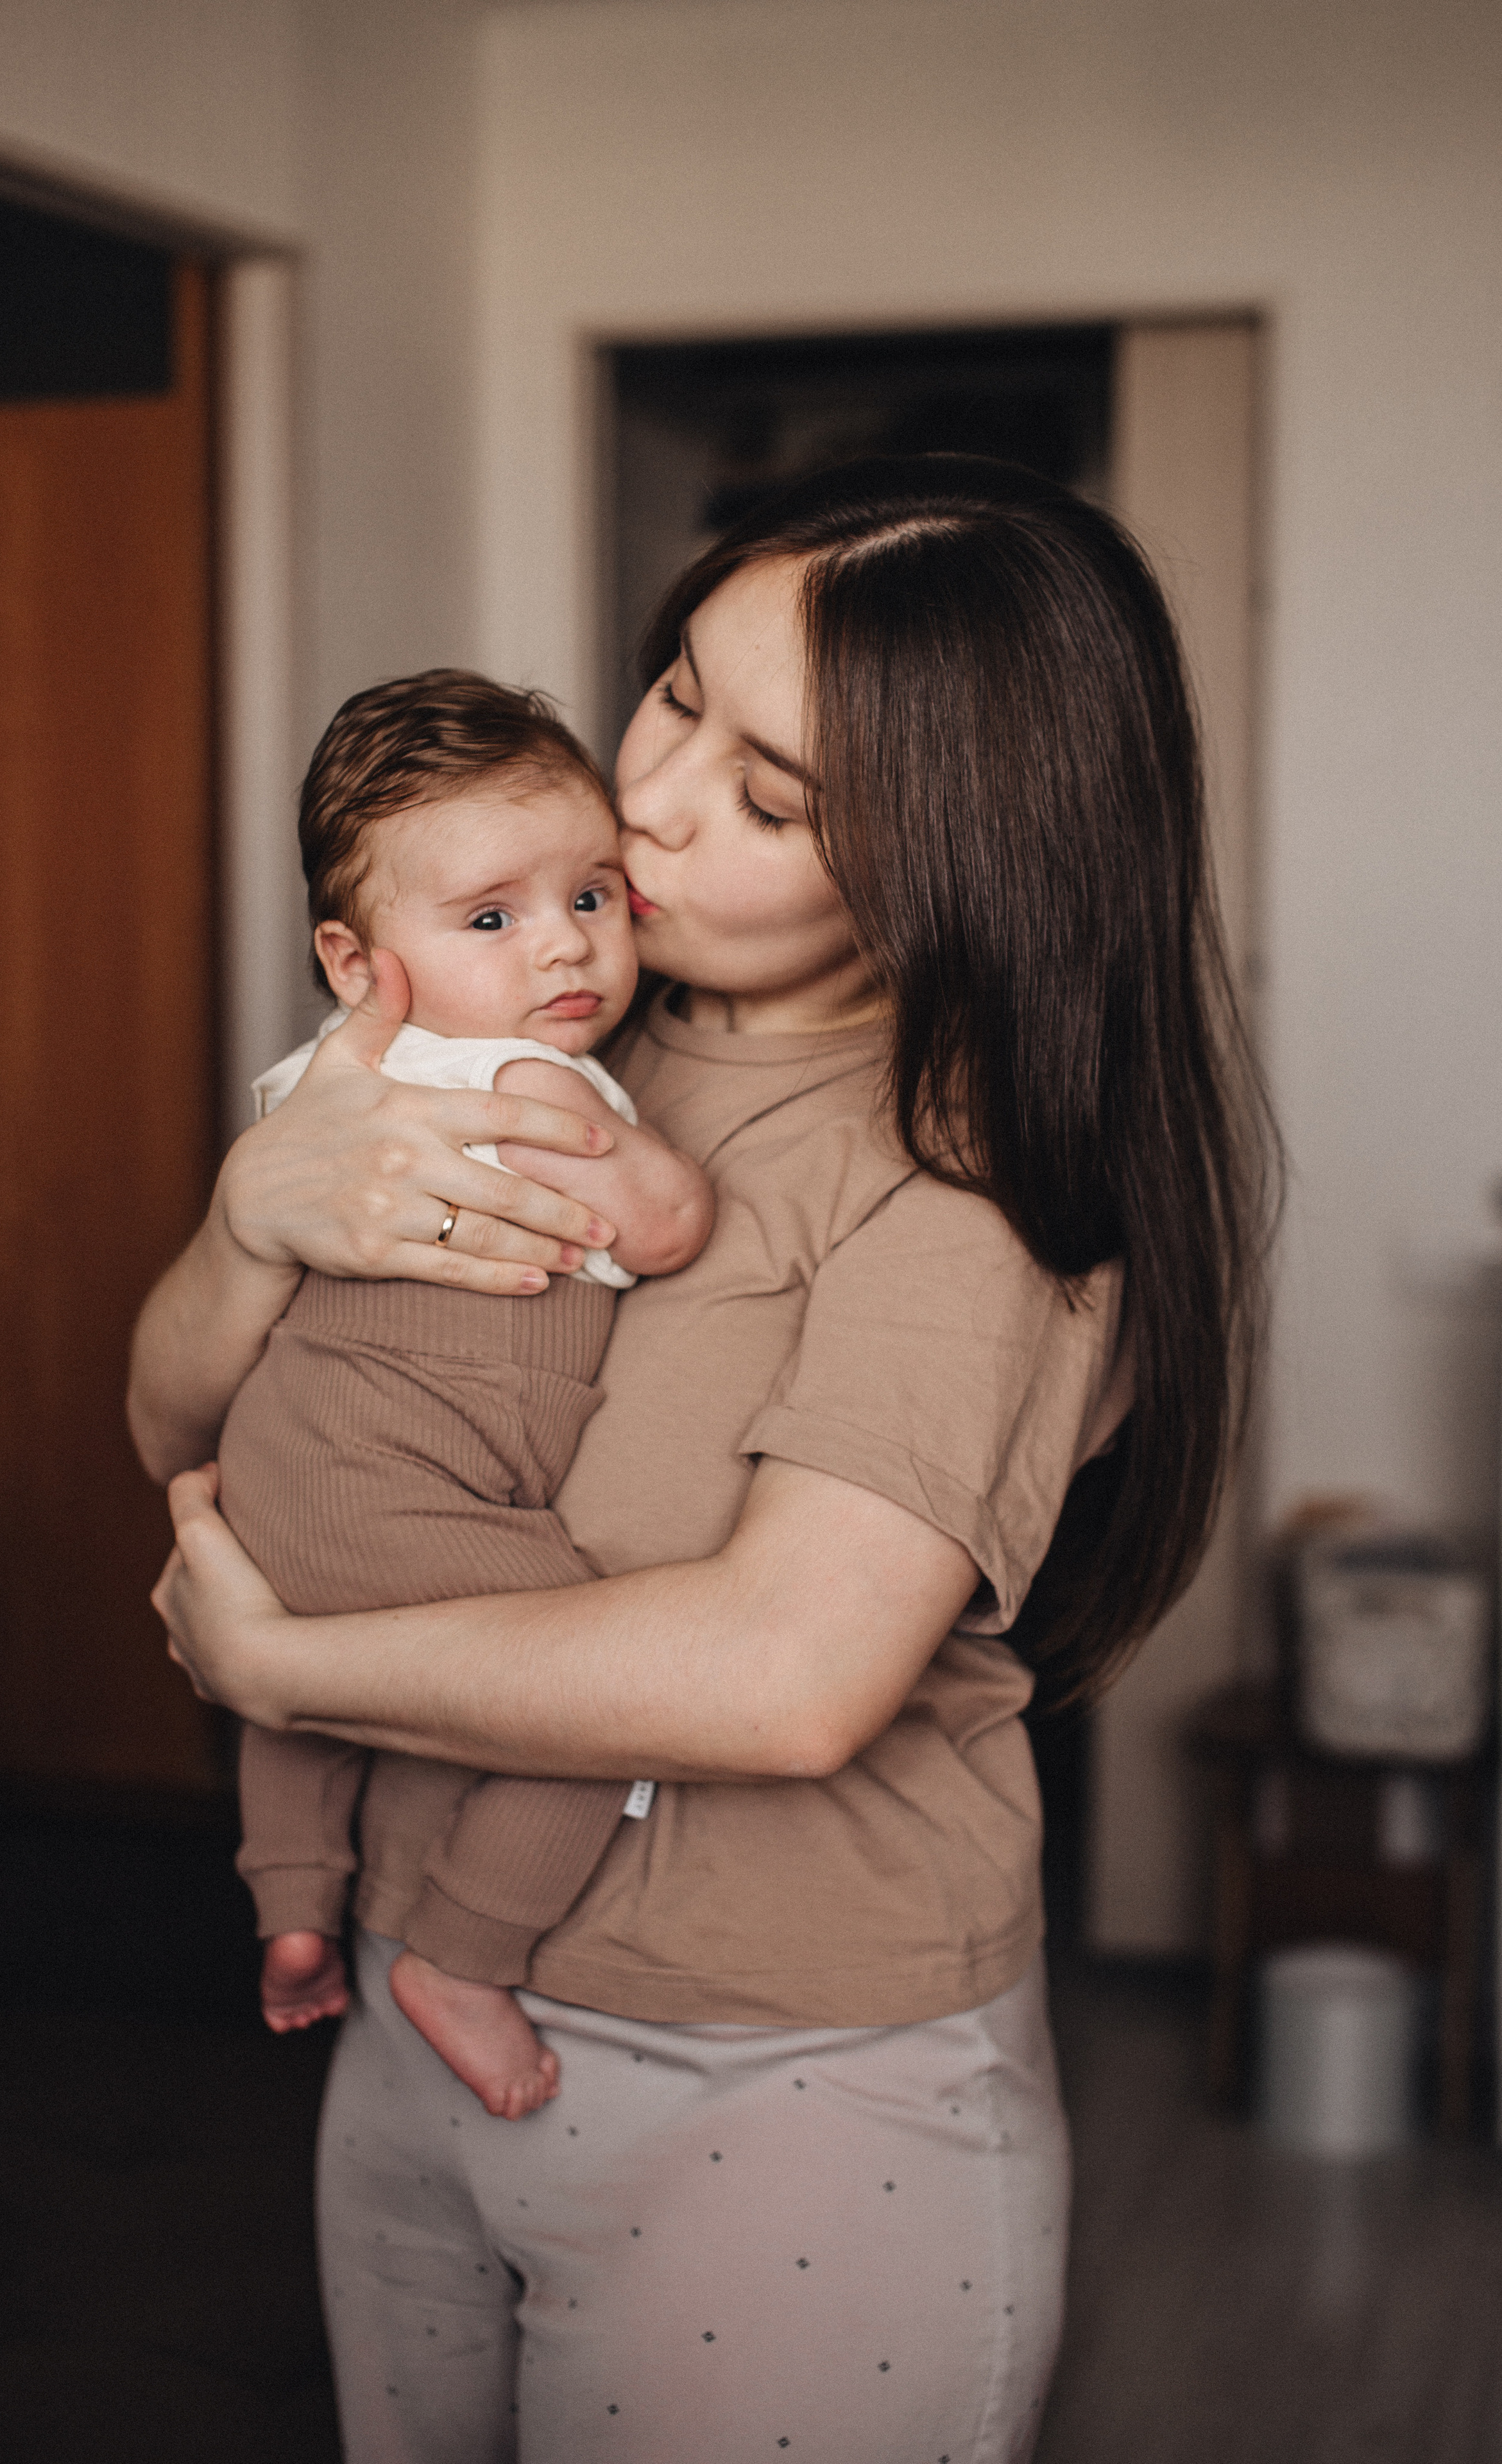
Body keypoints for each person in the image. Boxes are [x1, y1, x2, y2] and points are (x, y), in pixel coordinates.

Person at [132, 456, 1276, 2464]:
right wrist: (251, 1220)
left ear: (959, 856)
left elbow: (787, 1678)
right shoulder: (549, 1020)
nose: (645, 804)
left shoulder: (973, 1175)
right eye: (674, 693)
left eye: (768, 797)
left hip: (783, 2074)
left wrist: (282, 1670)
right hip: (412, 1995)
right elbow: (186, 1432)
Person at [220, 670, 713, 2119]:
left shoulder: (327, 1083)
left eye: (592, 896)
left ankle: (293, 1902)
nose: (564, 944)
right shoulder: (523, 1084)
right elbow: (664, 1227)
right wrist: (667, 1173)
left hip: (283, 1462)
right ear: (354, 958)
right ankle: (461, 1957)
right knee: (594, 1700)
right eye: (491, 919)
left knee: (309, 1684)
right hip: (396, 1481)